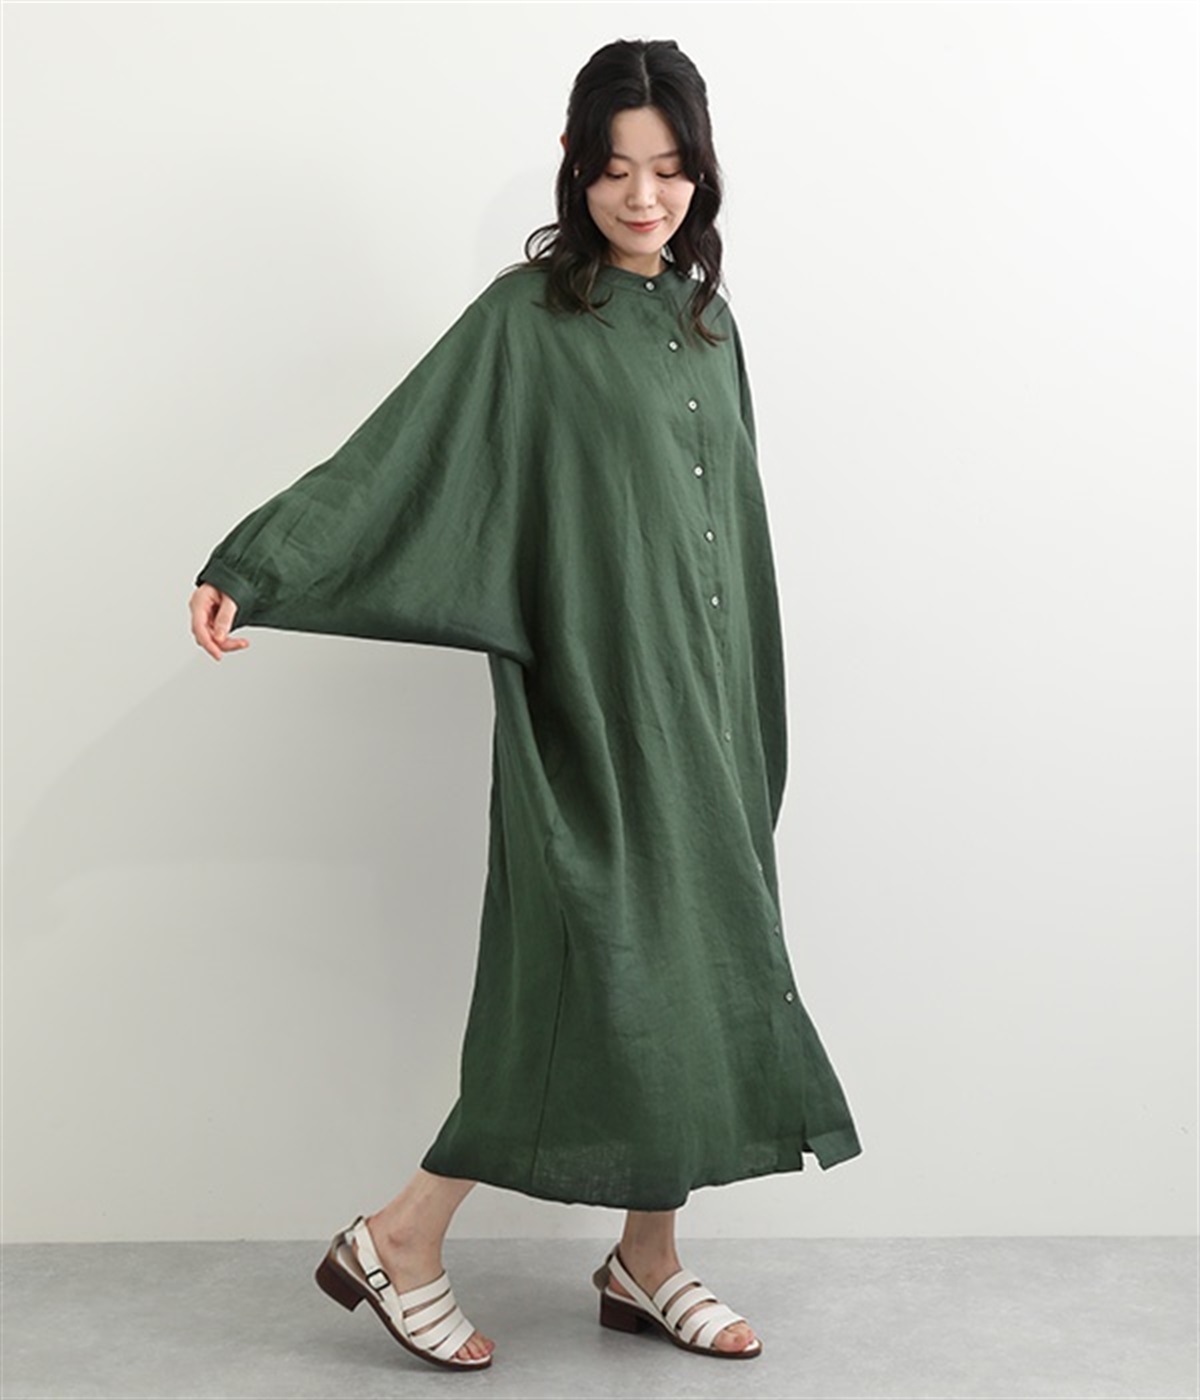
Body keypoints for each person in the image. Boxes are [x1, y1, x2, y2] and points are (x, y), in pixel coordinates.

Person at [189, 37, 862, 1373]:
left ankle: (646, 1259)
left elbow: (736, 536)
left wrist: (752, 711)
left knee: (696, 966)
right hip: (595, 710)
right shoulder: (528, 320)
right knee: (593, 973)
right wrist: (257, 563)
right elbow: (400, 459)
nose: (642, 196)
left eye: (667, 169)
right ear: (575, 168)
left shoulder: (709, 325)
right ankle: (401, 1234)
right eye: (614, 169)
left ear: (701, 172)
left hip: (710, 709)